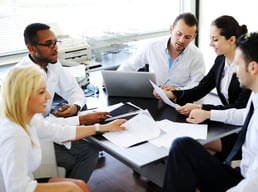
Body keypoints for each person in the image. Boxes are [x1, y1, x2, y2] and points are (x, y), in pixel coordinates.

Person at [162, 32, 258, 192]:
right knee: (182, 146)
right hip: (242, 175)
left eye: (237, 65)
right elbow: (244, 115)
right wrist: (208, 113)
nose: (235, 71)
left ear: (253, 67)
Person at [0, 64, 126, 192]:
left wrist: (104, 127)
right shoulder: (15, 135)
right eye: (41, 92)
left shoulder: (28, 120)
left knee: (80, 185)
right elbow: (16, 188)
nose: (49, 96)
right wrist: (68, 188)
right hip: (18, 188)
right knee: (73, 188)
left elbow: (61, 132)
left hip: (25, 184)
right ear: (24, 97)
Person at [16, 23, 108, 182]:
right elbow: (38, 124)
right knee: (83, 156)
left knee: (90, 149)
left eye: (55, 42)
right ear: (31, 48)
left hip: (47, 126)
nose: (55, 48)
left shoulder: (52, 64)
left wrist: (75, 106)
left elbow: (74, 90)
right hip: (31, 137)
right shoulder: (23, 77)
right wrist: (82, 120)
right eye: (48, 44)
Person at [155, 15, 251, 159]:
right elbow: (202, 87)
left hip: (243, 129)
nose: (210, 44)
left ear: (231, 40)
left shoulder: (246, 67)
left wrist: (203, 109)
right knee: (185, 133)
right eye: (211, 38)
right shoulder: (221, 60)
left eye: (215, 39)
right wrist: (174, 94)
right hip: (225, 121)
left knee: (189, 141)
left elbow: (240, 108)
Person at [117, 12, 206, 90]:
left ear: (193, 37)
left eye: (187, 37)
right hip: (154, 98)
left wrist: (176, 90)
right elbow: (130, 66)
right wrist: (113, 80)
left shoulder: (197, 55)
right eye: (179, 34)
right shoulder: (151, 46)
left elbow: (197, 85)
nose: (181, 40)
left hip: (180, 100)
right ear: (171, 30)